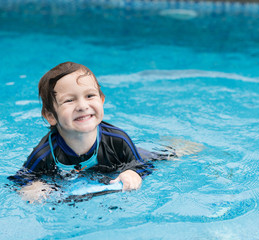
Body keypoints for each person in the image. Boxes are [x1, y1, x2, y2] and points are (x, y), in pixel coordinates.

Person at [9, 62, 155, 203]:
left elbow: (143, 166)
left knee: (164, 156)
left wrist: (133, 173)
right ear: (51, 116)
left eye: (90, 96)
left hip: (125, 159)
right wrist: (32, 187)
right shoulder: (45, 154)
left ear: (102, 100)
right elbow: (20, 179)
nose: (82, 106)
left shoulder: (118, 140)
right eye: (69, 100)